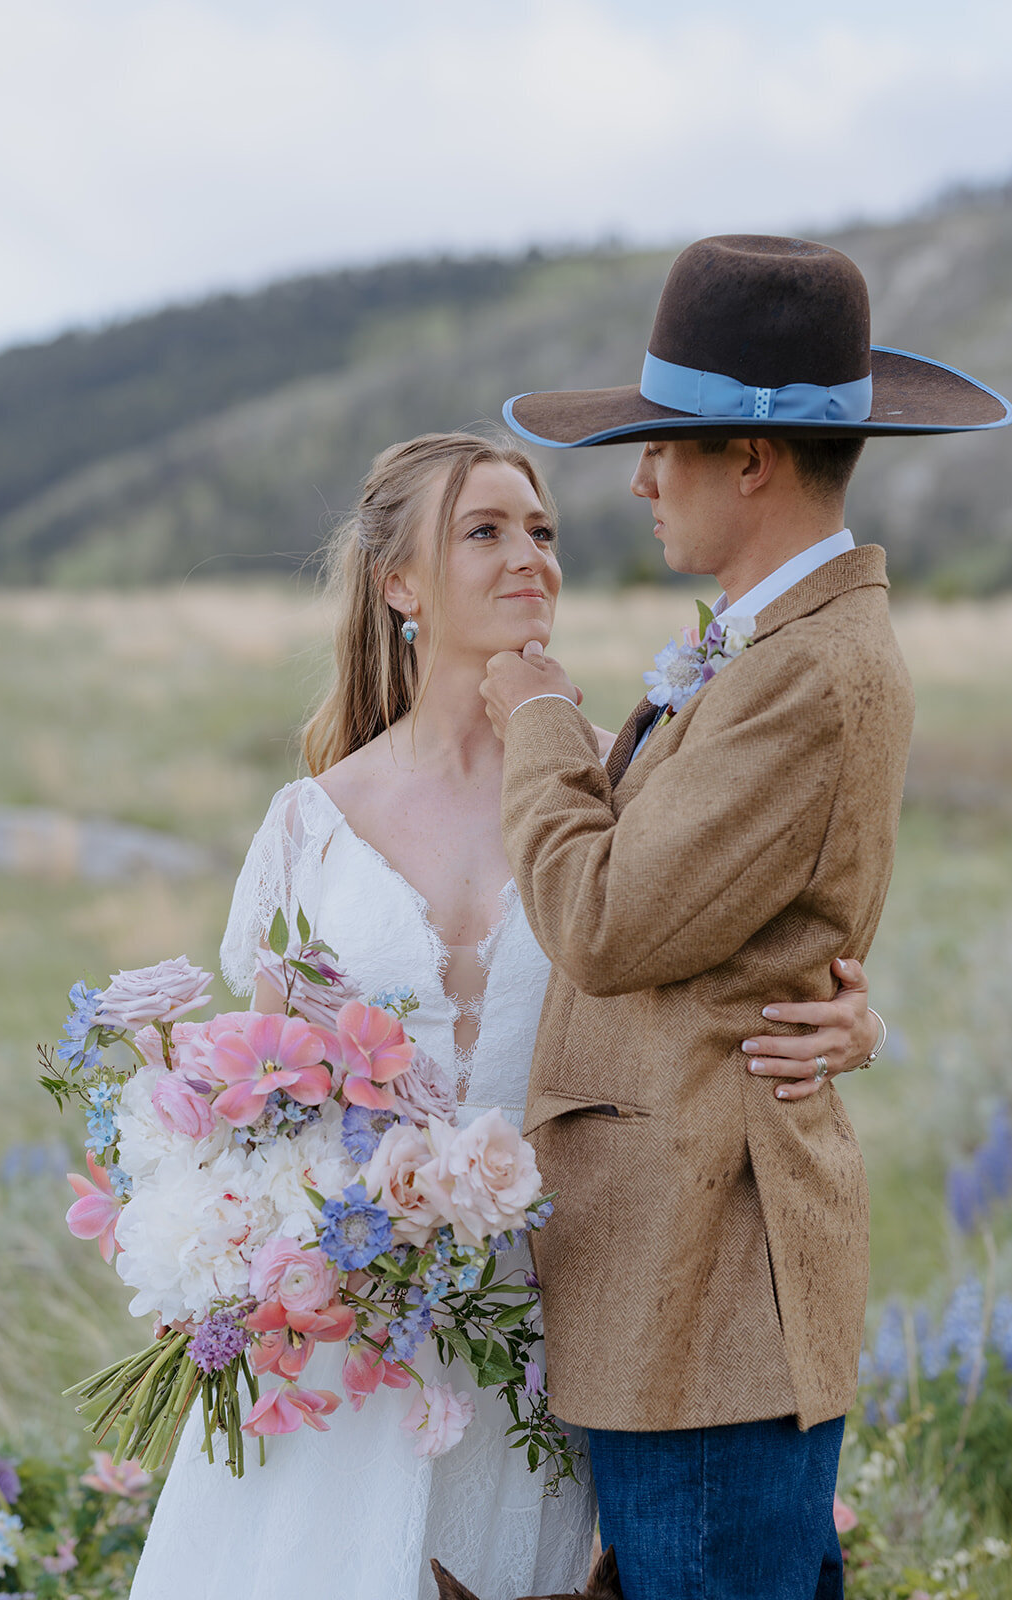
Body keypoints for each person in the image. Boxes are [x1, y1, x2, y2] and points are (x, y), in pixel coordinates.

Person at [129, 431, 881, 1600]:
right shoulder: (309, 825)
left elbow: (727, 940)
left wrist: (851, 1020)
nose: (529, 554)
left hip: (573, 1312)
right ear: (399, 585)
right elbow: (254, 1099)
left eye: (542, 530)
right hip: (357, 1331)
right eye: (483, 530)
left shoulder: (622, 784)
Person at [481, 235, 1012, 1600]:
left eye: (664, 449)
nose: (642, 479)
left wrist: (537, 716)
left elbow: (603, 920)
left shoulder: (808, 671)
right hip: (674, 1293)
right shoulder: (767, 646)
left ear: (750, 460)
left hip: (708, 1305)